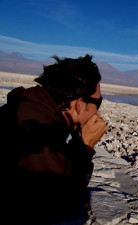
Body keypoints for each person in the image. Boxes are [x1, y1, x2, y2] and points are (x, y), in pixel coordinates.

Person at [0, 55, 108, 224]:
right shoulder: (37, 129)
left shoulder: (33, 108)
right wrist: (85, 147)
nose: (98, 112)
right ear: (80, 103)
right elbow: (58, 203)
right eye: (98, 102)